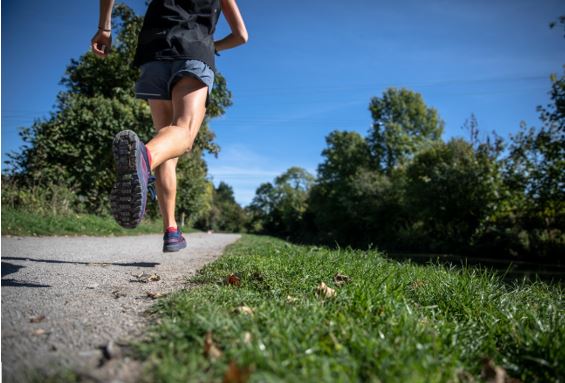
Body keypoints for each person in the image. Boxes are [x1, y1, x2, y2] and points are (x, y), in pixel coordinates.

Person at [91, 0, 248, 252]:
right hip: (194, 51)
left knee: (166, 143)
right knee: (182, 134)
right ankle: (143, 159)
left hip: (154, 52)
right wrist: (211, 46)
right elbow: (241, 36)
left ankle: (171, 229)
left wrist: (105, 28)